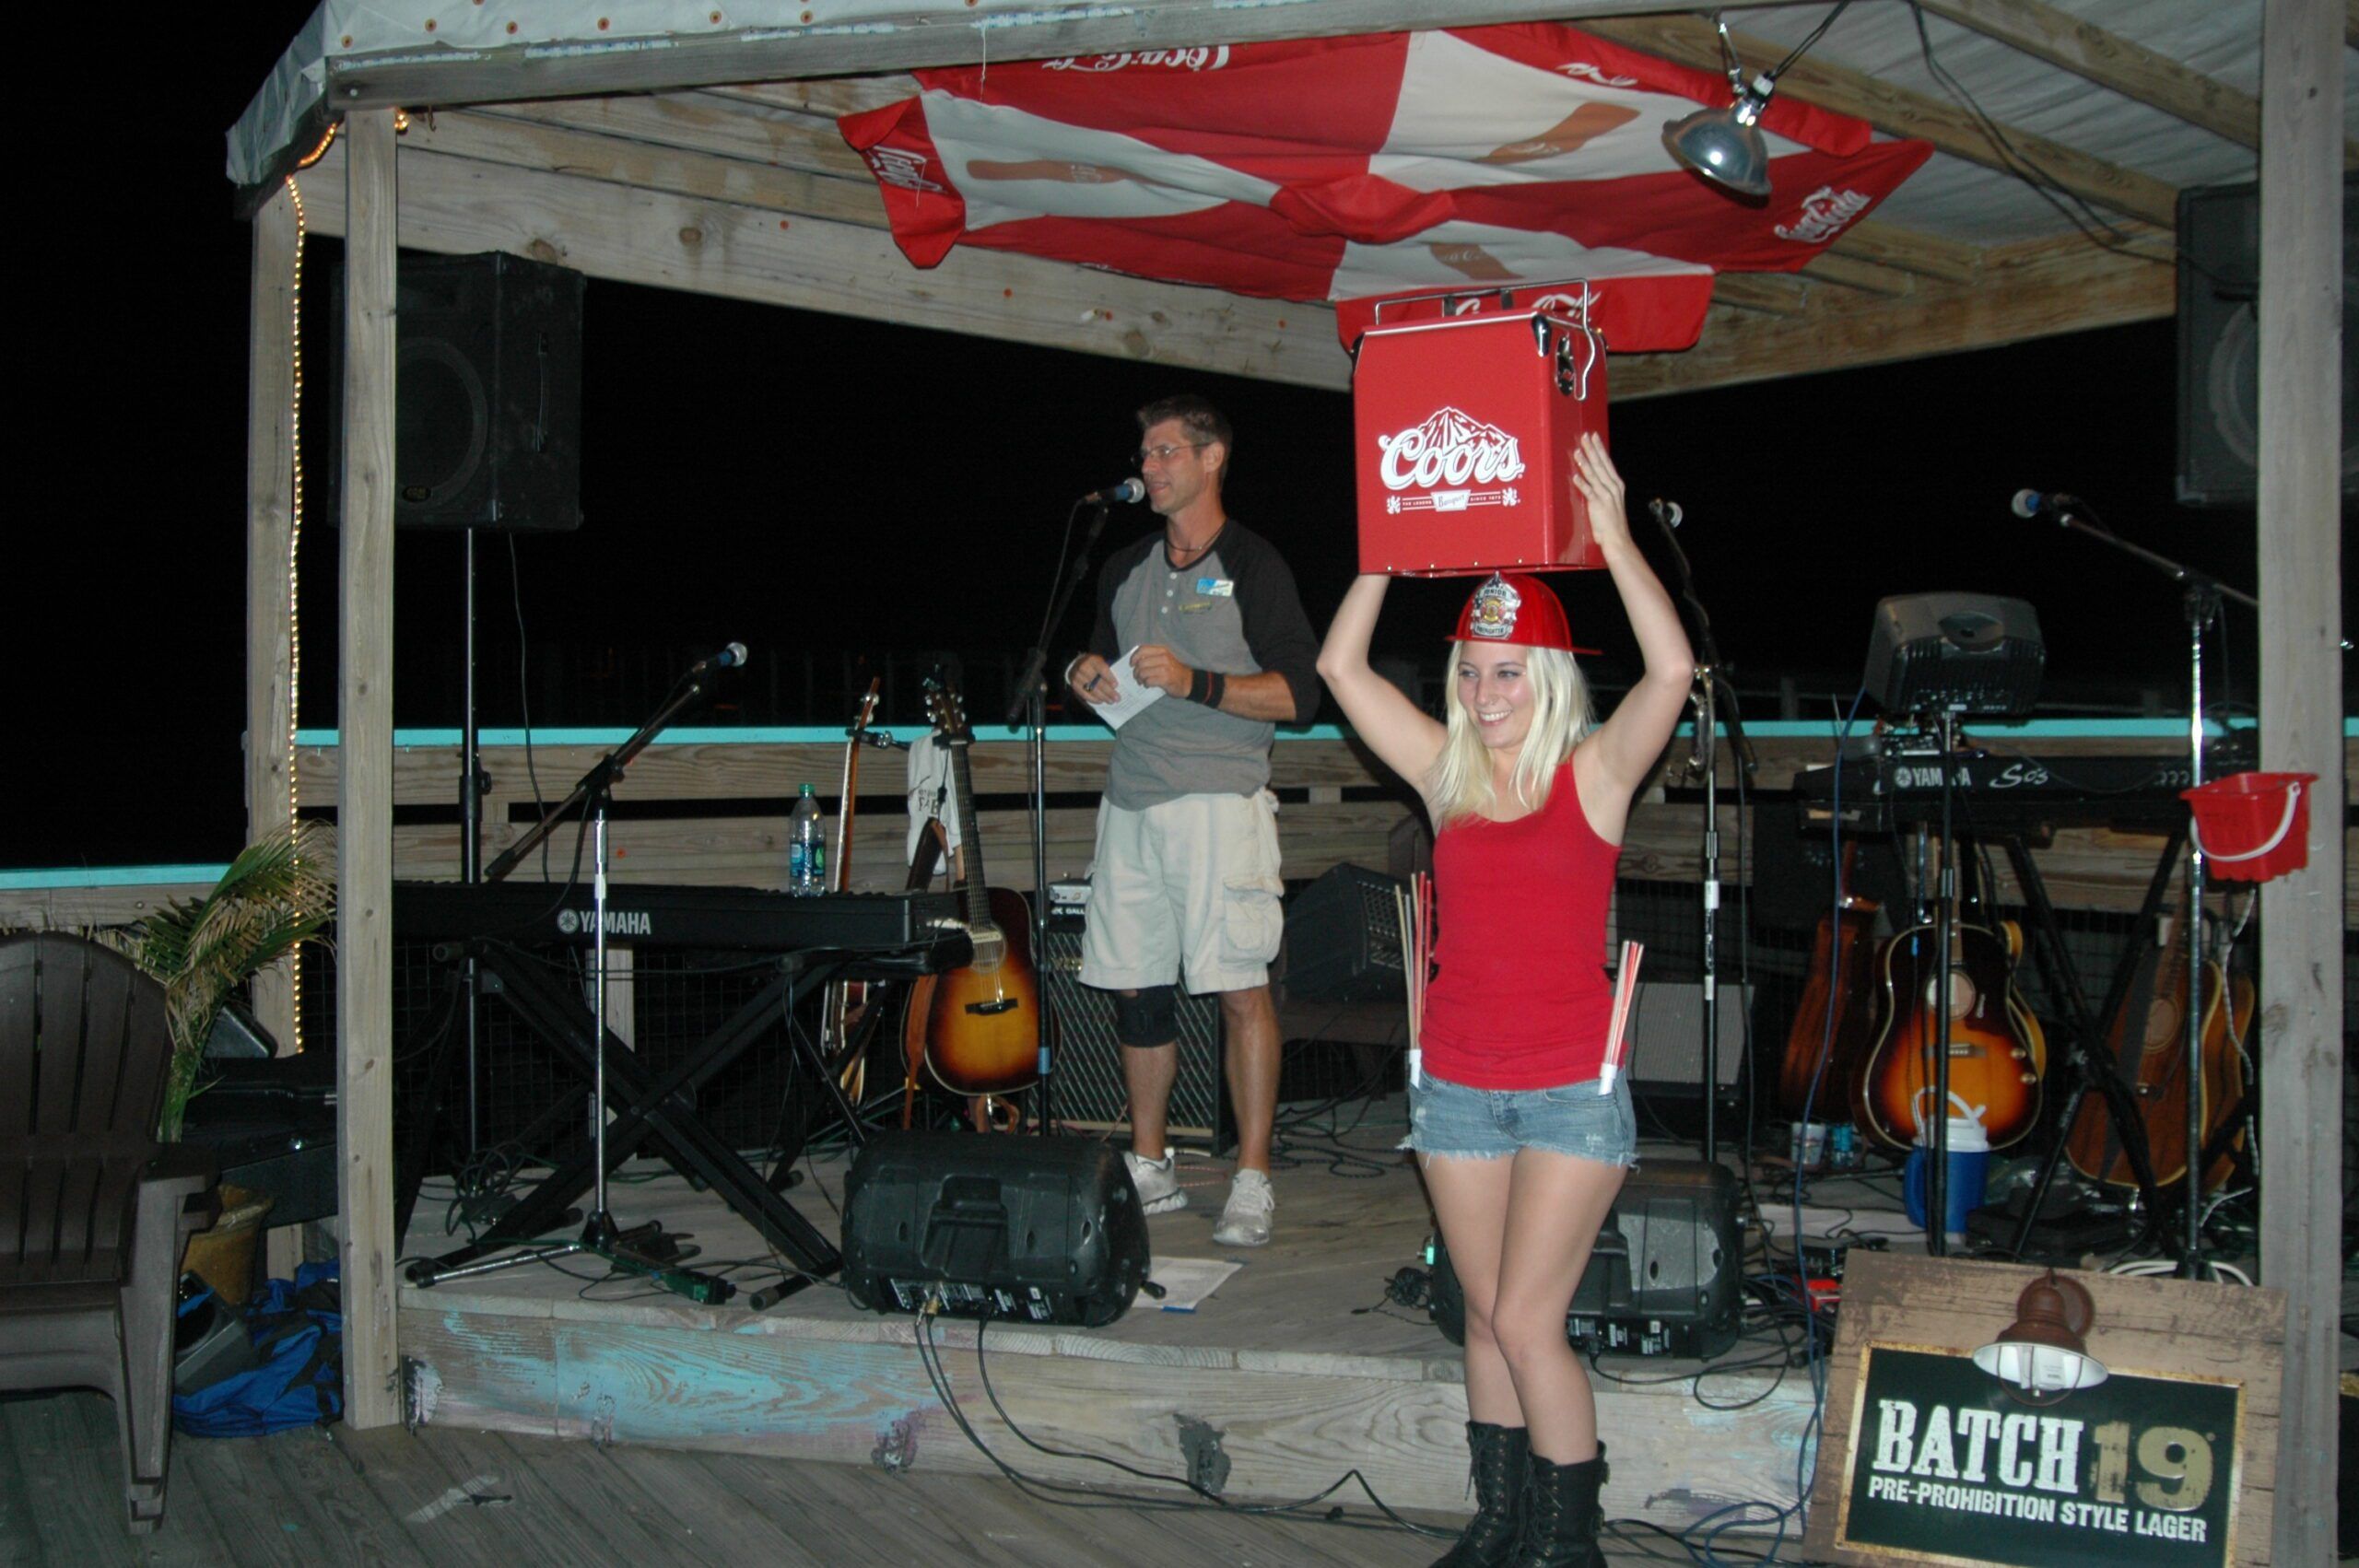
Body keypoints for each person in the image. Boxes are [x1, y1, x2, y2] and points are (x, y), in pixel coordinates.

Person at [1315, 434, 1691, 1568]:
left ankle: (1567, 1546)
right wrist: (1385, 550)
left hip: (1570, 1087)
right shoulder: (1447, 776)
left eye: (1509, 671)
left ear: (1552, 678)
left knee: (1529, 1319)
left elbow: (1671, 674)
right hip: (1457, 1088)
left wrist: (1613, 539)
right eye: (1472, 671)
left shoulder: (1595, 776)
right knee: (1479, 1316)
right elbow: (1339, 667)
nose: (1485, 693)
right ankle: (1498, 1525)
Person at [1065, 393, 1320, 1248]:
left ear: (1213, 459)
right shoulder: (1123, 565)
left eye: (1167, 451)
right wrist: (1081, 672)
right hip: (1130, 801)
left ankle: (1253, 1177)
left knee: (1240, 989)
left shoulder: (1254, 563)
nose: (1150, 466)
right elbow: (1096, 656)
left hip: (1219, 802)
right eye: (1145, 453)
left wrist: (1196, 682)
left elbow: (1300, 696)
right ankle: (1150, 1166)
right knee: (1138, 989)